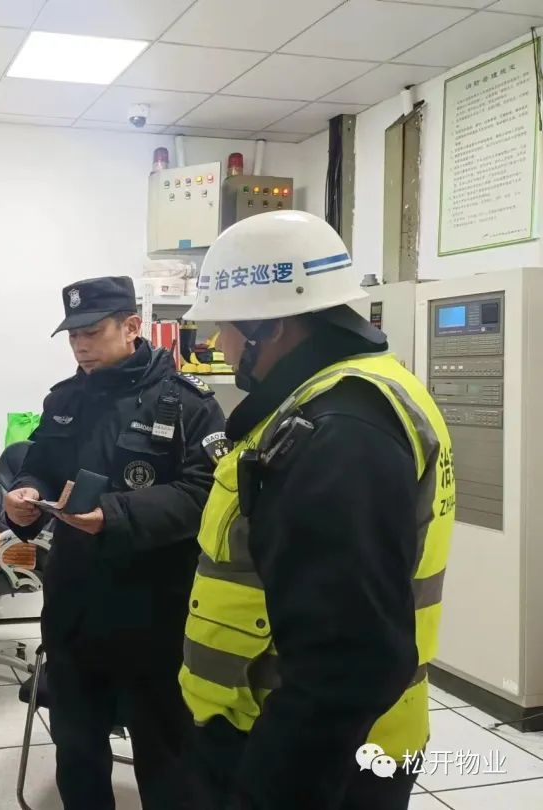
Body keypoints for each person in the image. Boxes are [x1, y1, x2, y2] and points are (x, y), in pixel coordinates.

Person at [177, 210, 454, 810]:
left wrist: (268, 790)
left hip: (314, 757)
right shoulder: (350, 394)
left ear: (271, 326)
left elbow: (349, 661)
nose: (219, 344)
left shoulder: (339, 430)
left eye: (225, 327)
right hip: (316, 738)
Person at [3, 276, 226, 810]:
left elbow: (205, 495)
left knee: (166, 754)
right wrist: (24, 494)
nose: (80, 345)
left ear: (131, 326)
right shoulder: (64, 398)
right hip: (74, 605)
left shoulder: (187, 403)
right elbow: (39, 465)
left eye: (92, 332)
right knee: (77, 749)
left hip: (155, 609)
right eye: (72, 335)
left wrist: (115, 515)